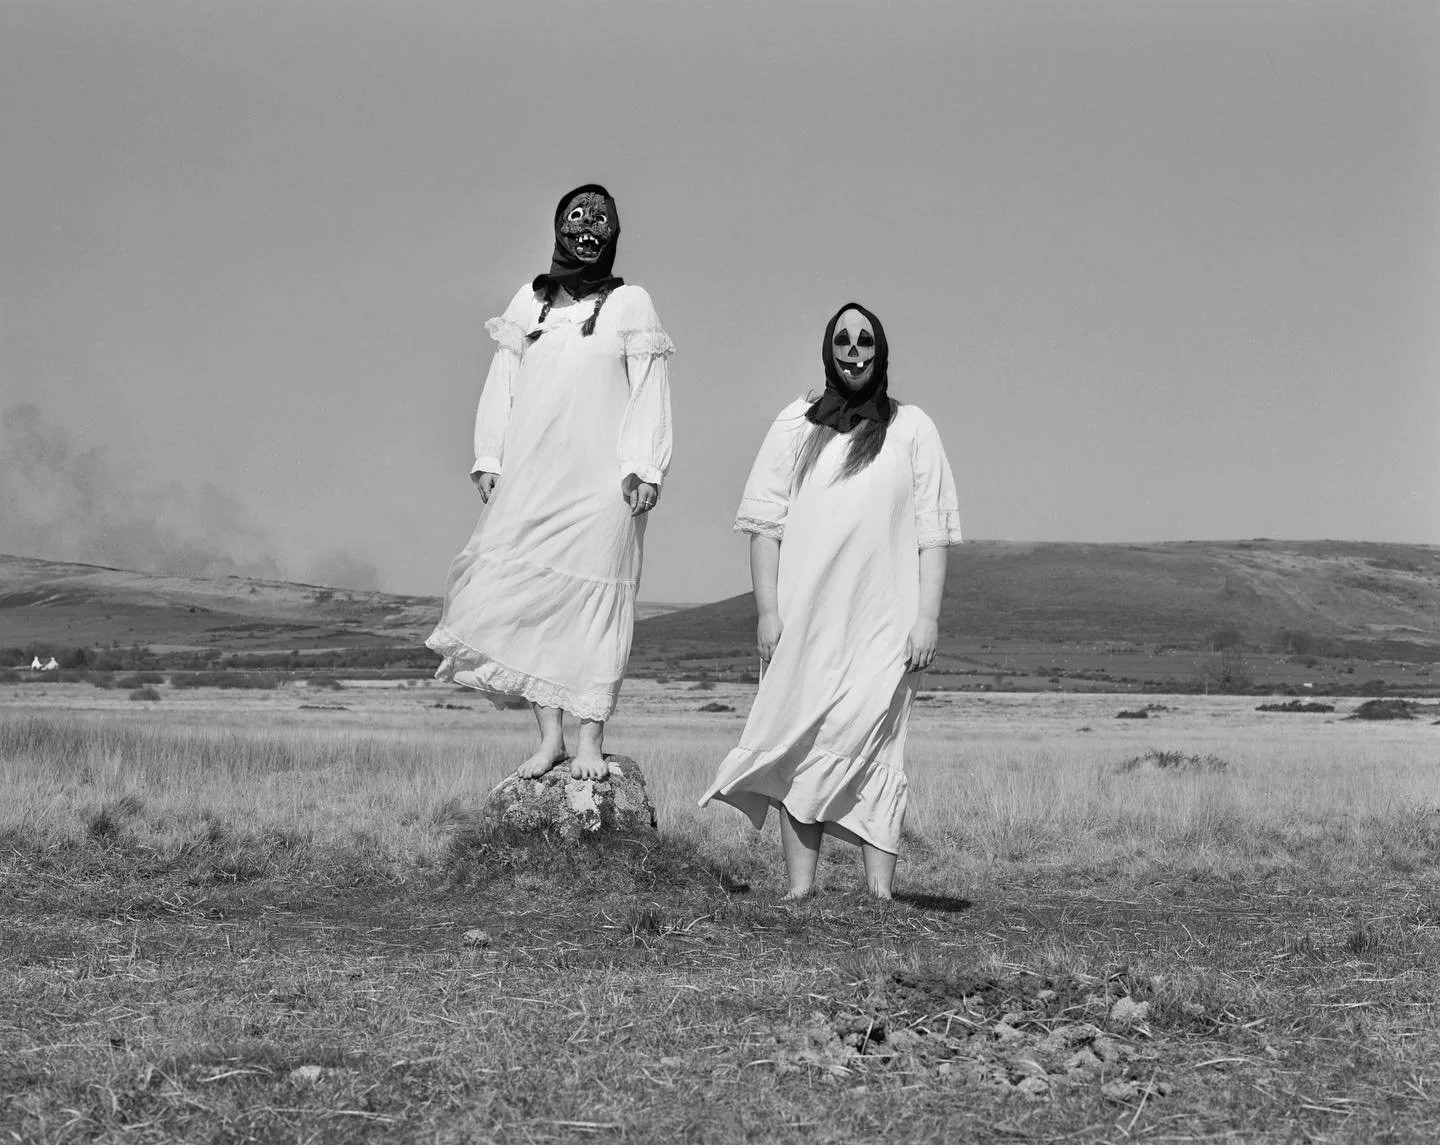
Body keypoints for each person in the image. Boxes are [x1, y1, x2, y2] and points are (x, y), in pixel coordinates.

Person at [699, 302, 962, 899]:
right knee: (802, 739)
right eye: (842, 339)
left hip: (885, 625)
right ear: (828, 348)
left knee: (877, 740)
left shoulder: (912, 427)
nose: (854, 349)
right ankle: (799, 892)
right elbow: (764, 525)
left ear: (881, 348)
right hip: (803, 622)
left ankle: (880, 896)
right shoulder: (795, 425)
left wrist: (927, 618)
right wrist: (767, 612)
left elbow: (932, 532)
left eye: (865, 339)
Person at [427, 184, 674, 781]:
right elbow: (501, 381)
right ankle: (549, 739)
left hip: (603, 488)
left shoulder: (631, 303)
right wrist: (490, 457)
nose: (589, 227)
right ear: (558, 226)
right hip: (532, 478)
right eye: (577, 216)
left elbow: (649, 391)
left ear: (615, 234)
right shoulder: (528, 303)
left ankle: (590, 739)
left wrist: (646, 467)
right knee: (528, 601)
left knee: (591, 606)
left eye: (602, 219)